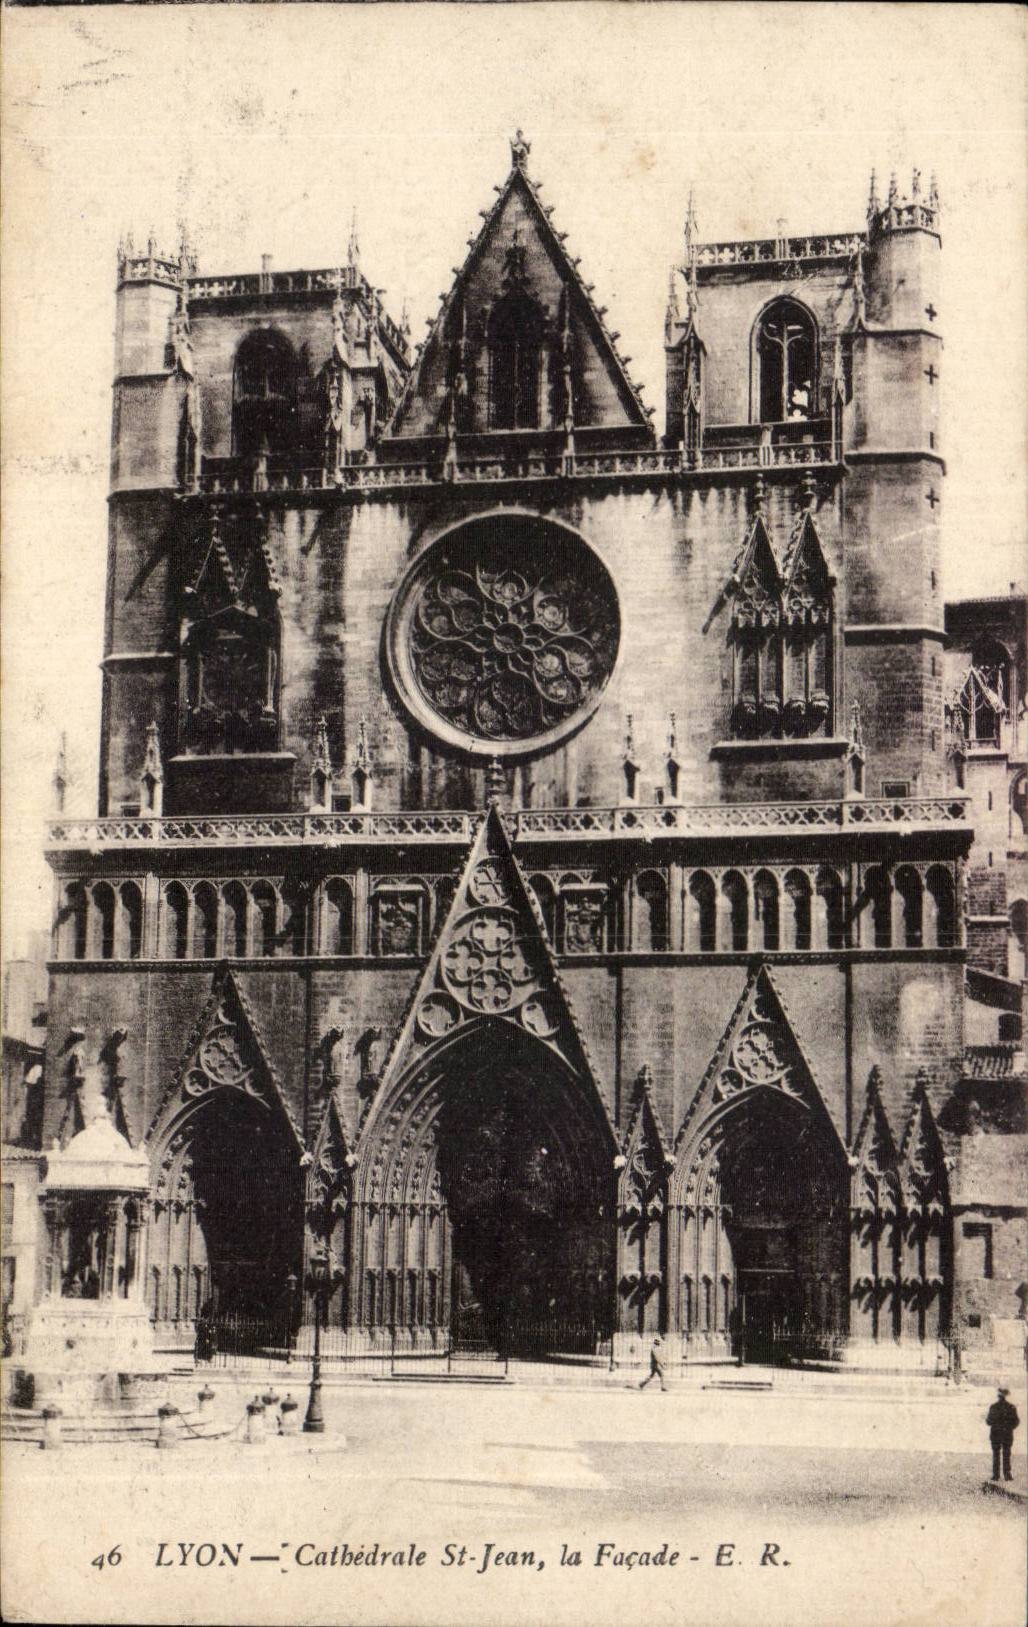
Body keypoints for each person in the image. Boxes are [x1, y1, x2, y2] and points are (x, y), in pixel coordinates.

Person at [985, 1387, 1019, 1481]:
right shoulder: (1011, 1407)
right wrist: (1009, 1428)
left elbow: (988, 1421)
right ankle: (1007, 1475)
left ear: (998, 1396)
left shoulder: (993, 1407)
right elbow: (1016, 1421)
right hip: (1007, 1434)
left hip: (995, 1434)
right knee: (1007, 1454)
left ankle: (996, 1475)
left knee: (996, 1455)